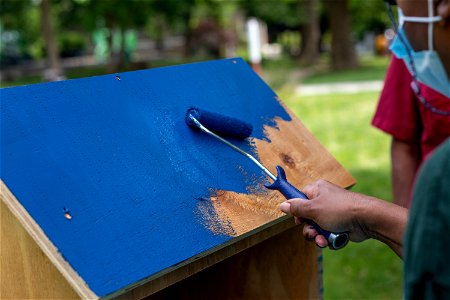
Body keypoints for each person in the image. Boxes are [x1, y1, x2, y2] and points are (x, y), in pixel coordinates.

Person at [279, 138, 450, 298]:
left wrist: (358, 212)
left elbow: (437, 251)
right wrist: (362, 220)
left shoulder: (442, 168)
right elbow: (433, 251)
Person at [372, 0, 450, 208]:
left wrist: (366, 214)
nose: (402, 27)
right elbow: (403, 140)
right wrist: (406, 233)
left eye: (398, 7)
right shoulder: (413, 54)